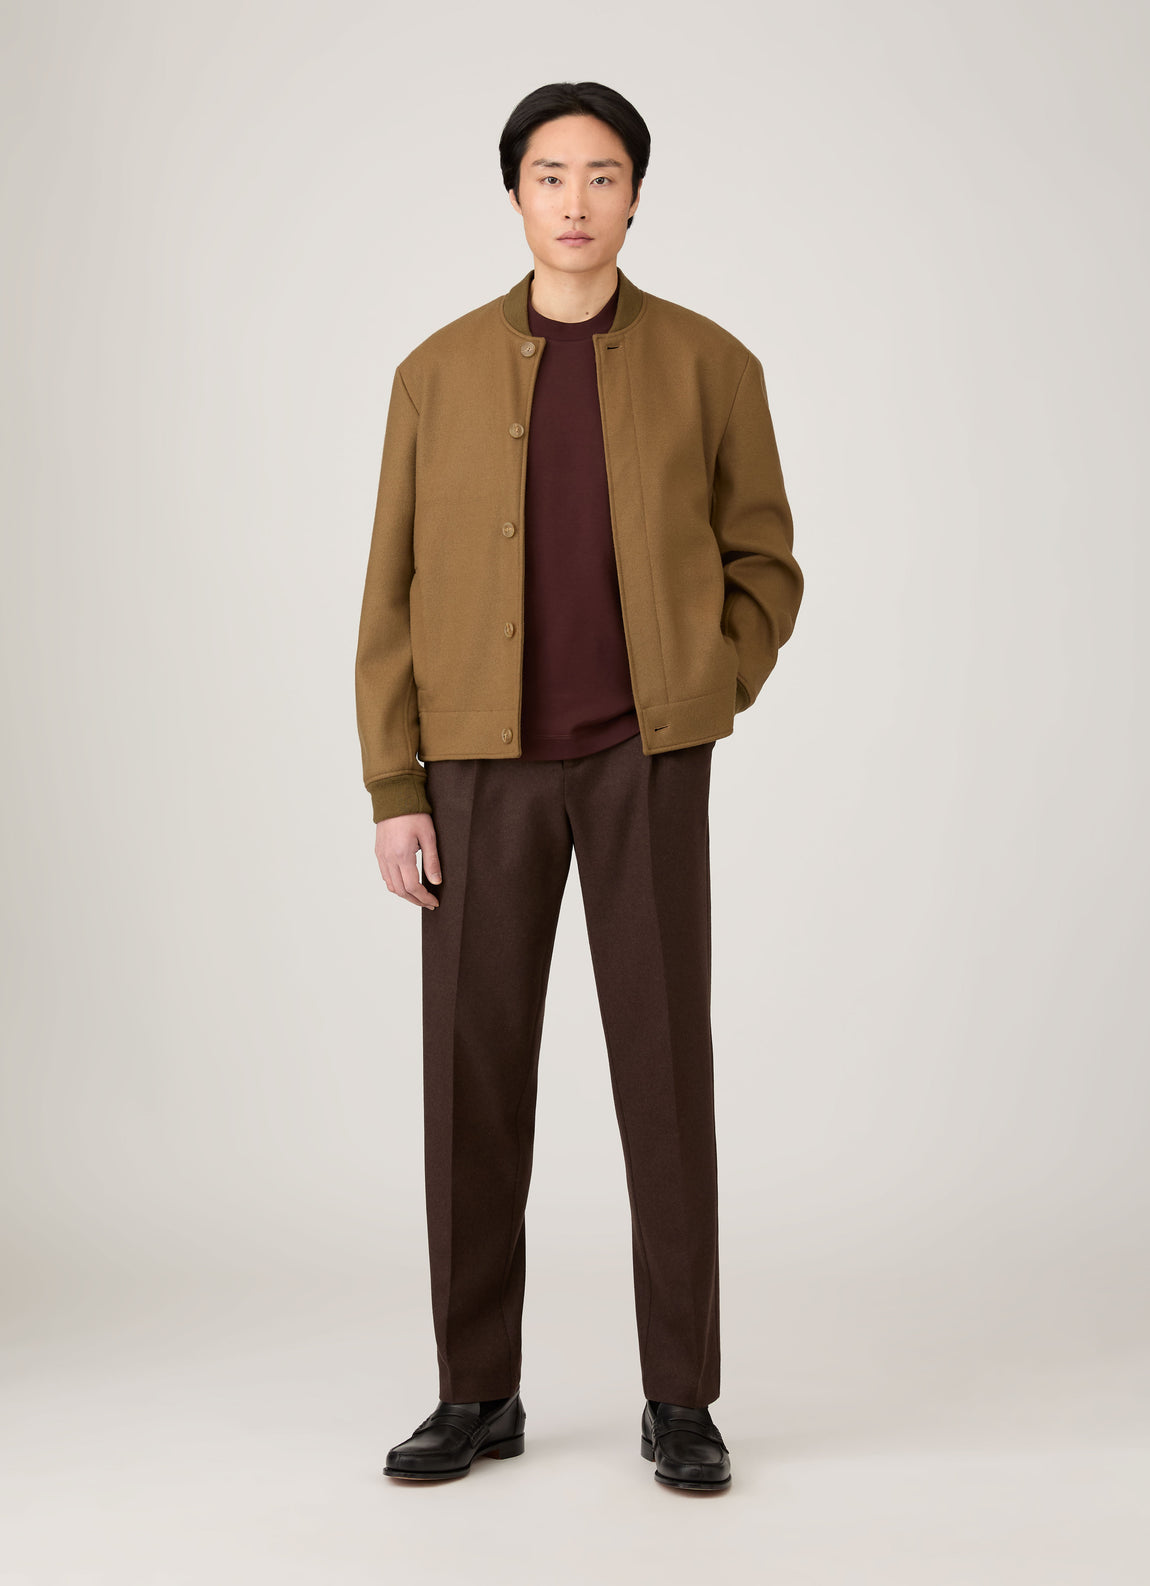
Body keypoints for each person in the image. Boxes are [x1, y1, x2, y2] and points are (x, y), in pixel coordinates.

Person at [355, 81, 803, 1492]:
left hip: (640, 763)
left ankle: (681, 1396)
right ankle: (474, 1391)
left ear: (634, 197)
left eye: (602, 175)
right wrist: (394, 782)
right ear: (514, 196)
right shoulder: (433, 374)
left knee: (664, 1077)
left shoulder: (712, 365)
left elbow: (765, 560)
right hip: (474, 768)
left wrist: (707, 687)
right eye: (549, 175)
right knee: (471, 1080)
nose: (574, 201)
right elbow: (388, 591)